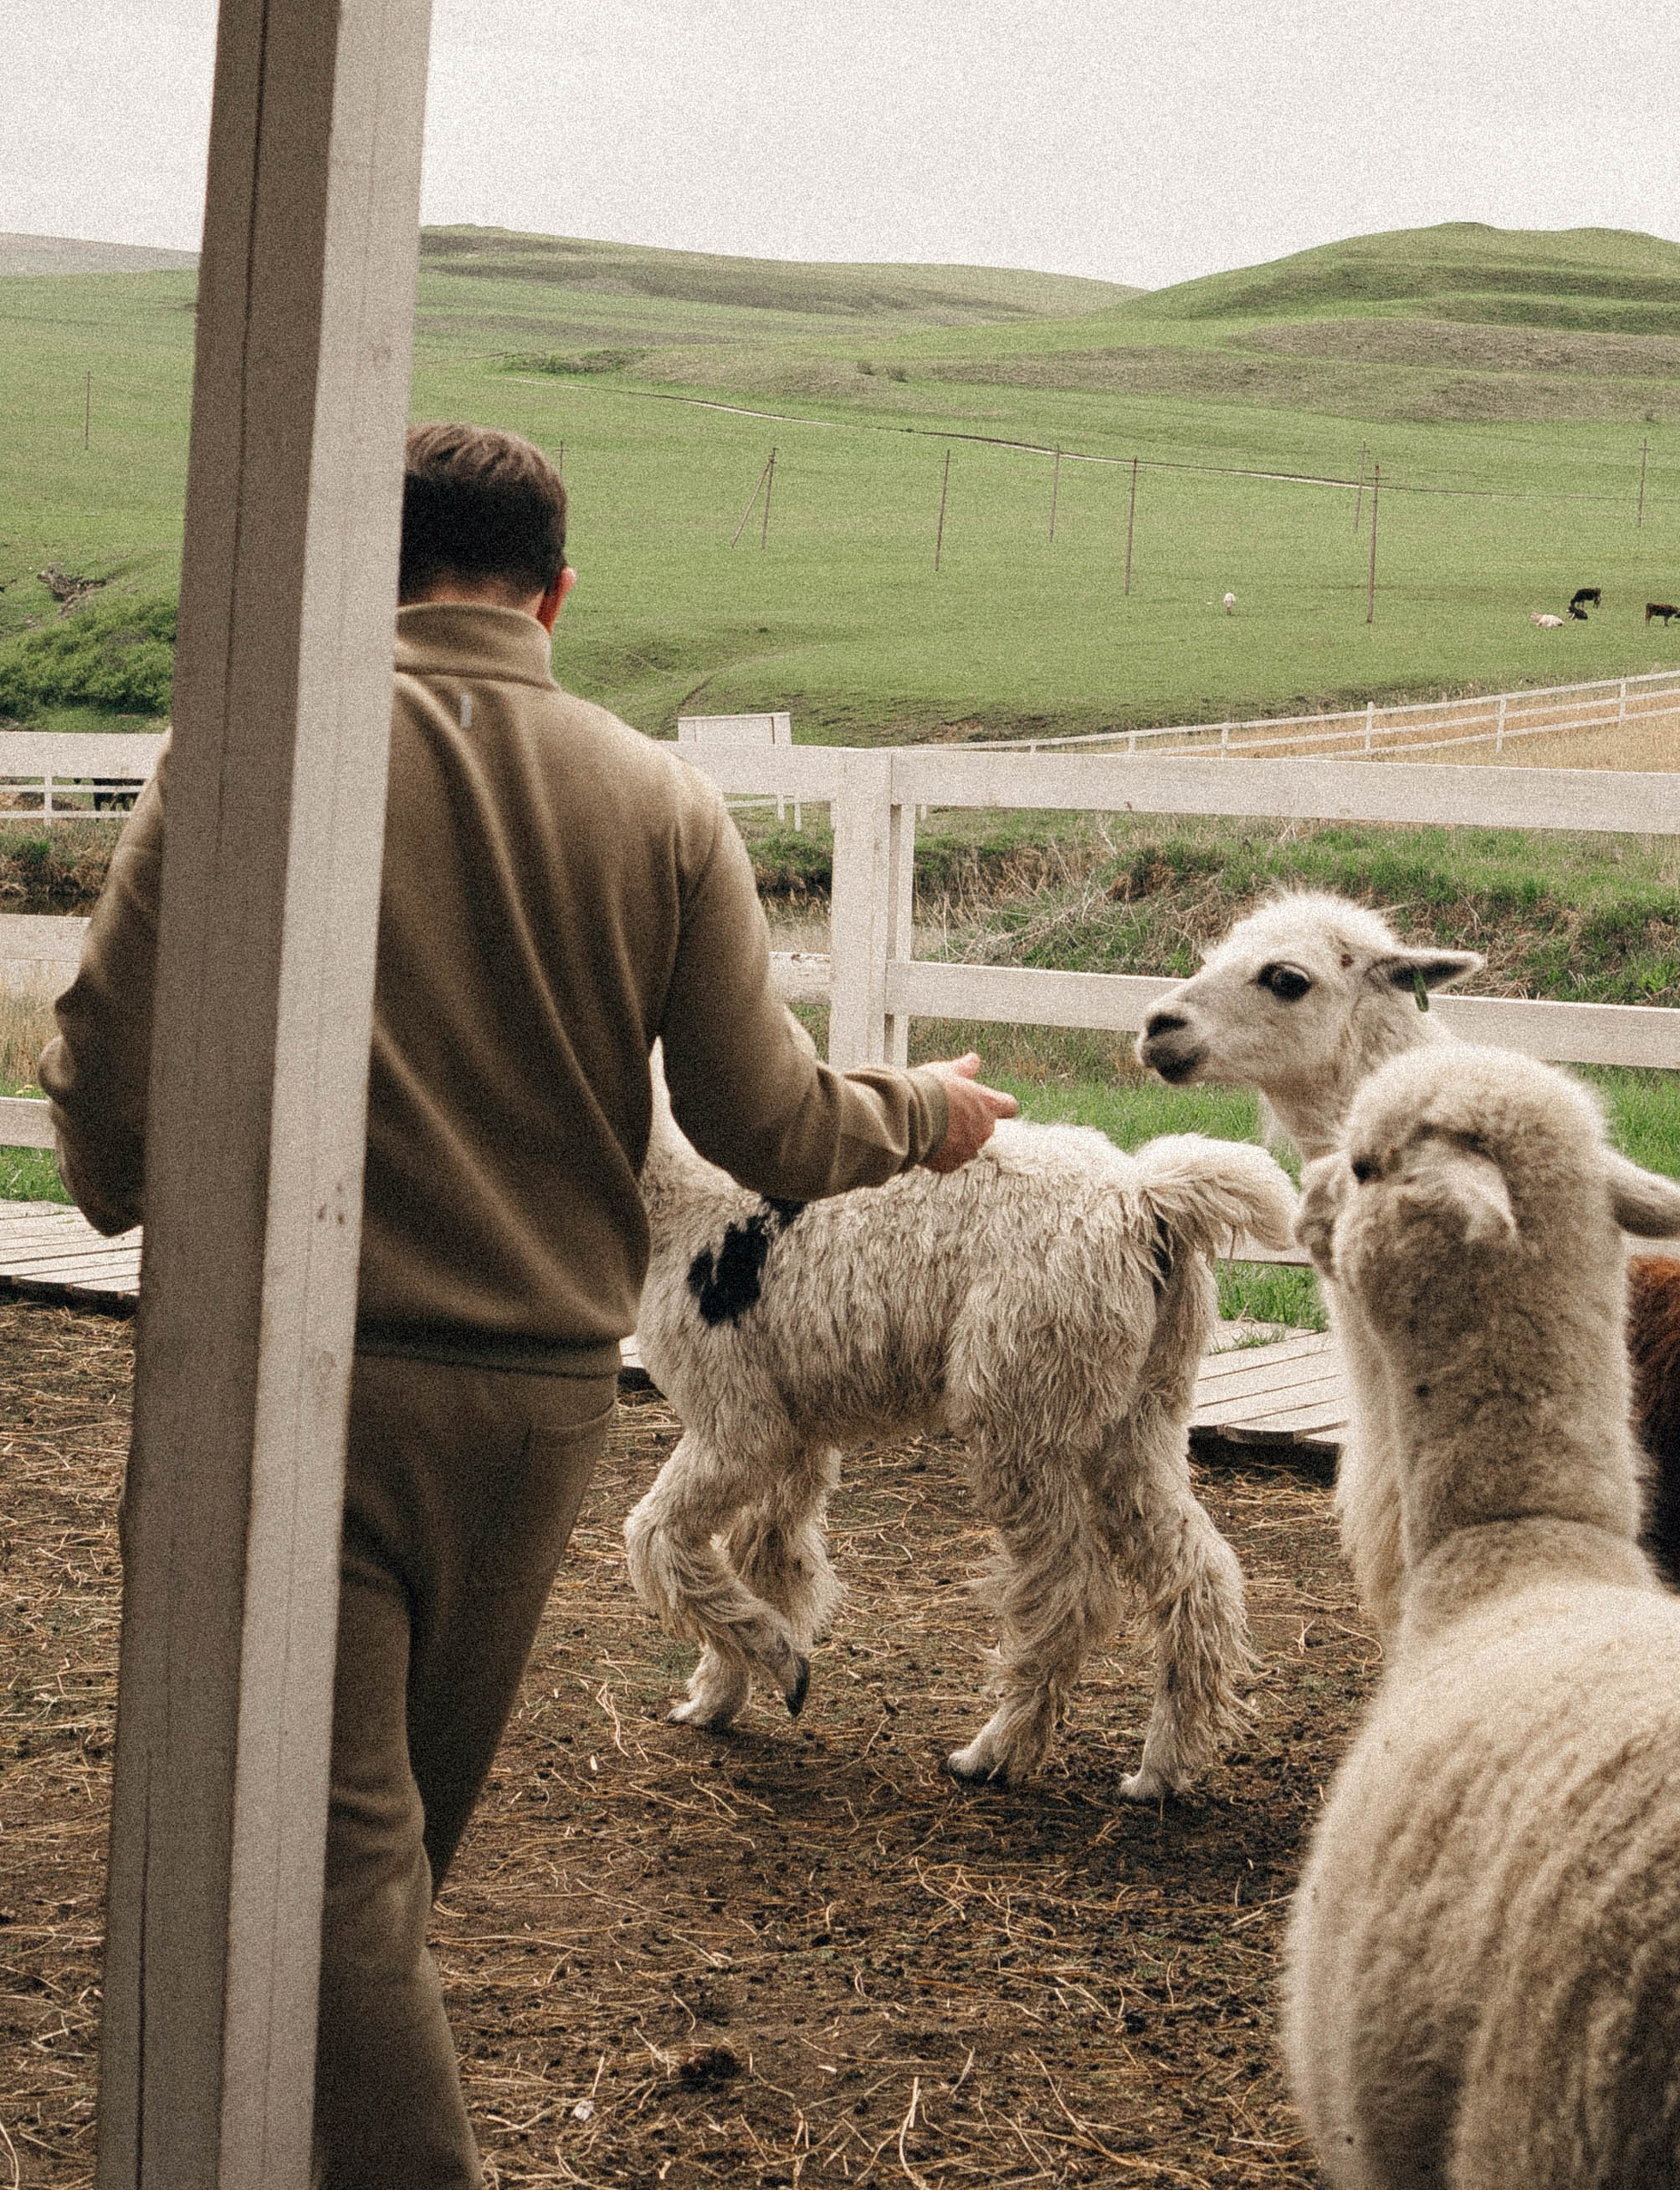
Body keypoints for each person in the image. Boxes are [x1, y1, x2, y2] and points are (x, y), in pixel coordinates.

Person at [42, 421, 1014, 2190]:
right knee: (382, 1871)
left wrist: (121, 1192)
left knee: (322, 1895)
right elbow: (765, 1125)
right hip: (535, 1403)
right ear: (557, 591)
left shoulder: (252, 756)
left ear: (369, 563)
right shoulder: (658, 803)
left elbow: (112, 1059)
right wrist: (924, 1116)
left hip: (283, 1384)